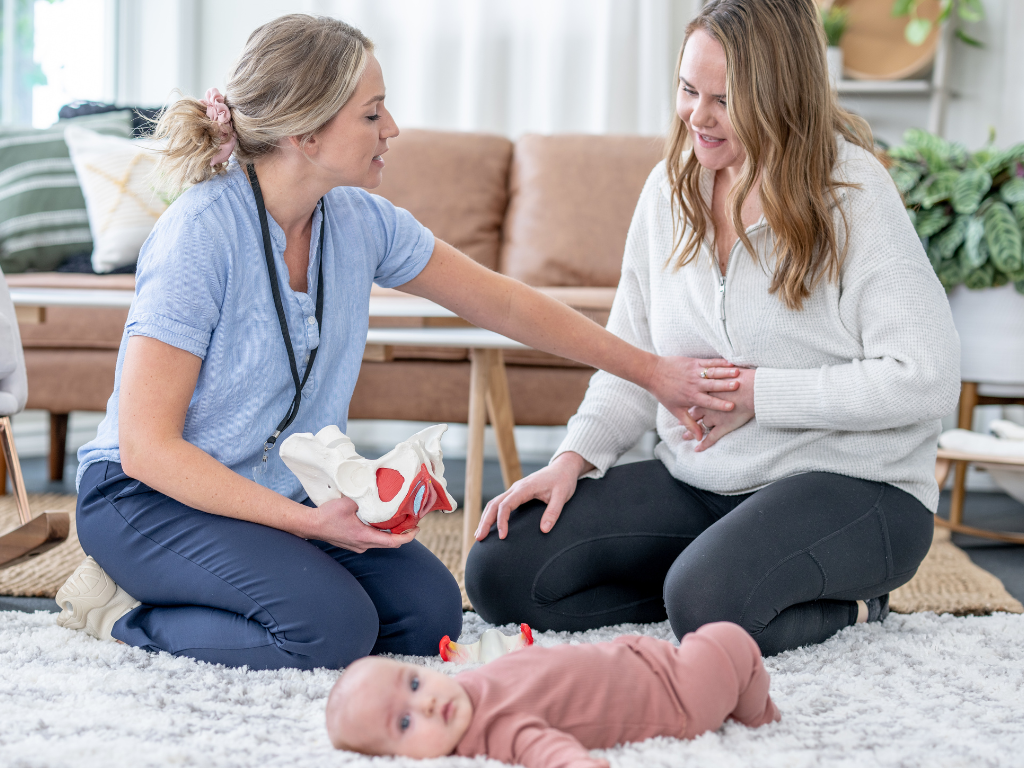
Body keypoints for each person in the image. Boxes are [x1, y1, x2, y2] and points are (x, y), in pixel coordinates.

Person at [54, 15, 730, 671]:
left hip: (278, 492)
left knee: (424, 615)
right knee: (327, 629)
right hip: (146, 497)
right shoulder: (199, 234)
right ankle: (121, 611)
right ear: (306, 133)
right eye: (373, 113)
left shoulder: (358, 222)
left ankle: (235, 586)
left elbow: (505, 302)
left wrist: (653, 373)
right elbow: (147, 447)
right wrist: (312, 528)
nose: (394, 128)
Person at [465, 0, 960, 657]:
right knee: (503, 569)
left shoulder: (853, 193)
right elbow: (635, 360)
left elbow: (924, 380)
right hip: (703, 481)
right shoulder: (668, 192)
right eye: (688, 89)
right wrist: (572, 458)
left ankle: (851, 605)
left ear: (782, 96)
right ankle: (716, 584)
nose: (698, 116)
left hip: (856, 489)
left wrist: (756, 395)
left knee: (709, 605)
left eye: (724, 99)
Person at [326, 621, 780, 767]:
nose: (425, 702)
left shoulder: (460, 692)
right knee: (729, 640)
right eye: (405, 723)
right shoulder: (496, 730)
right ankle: (759, 713)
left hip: (646, 662)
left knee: (713, 643)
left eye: (414, 683)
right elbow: (551, 753)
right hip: (681, 698)